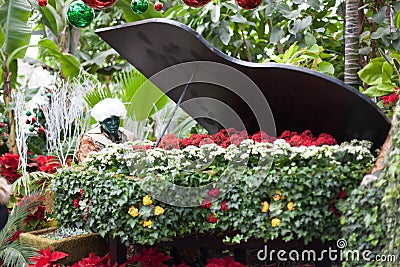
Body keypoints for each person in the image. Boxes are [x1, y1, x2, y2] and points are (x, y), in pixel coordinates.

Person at [77, 98, 135, 163]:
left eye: (116, 119)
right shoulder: (90, 139)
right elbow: (85, 164)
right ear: (101, 122)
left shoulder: (128, 135)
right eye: (109, 121)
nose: (113, 124)